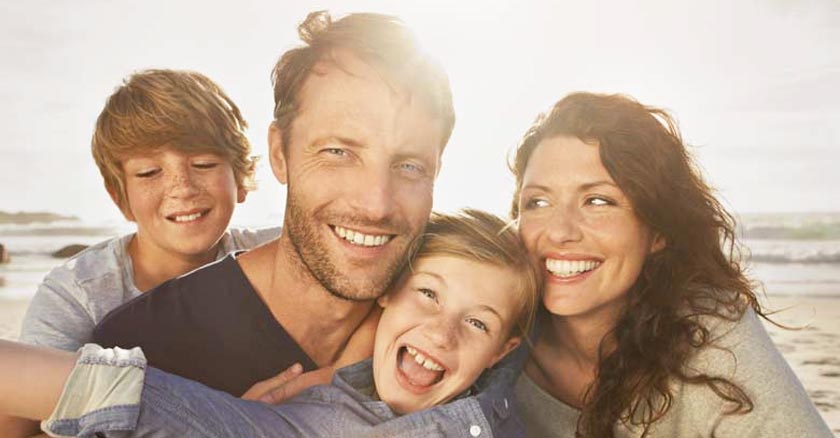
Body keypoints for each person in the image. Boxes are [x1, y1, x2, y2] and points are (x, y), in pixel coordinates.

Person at [88, 13, 520, 434]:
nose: (375, 204)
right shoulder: (141, 346)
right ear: (280, 153)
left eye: (409, 165)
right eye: (338, 152)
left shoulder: (460, 327)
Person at [0, 209, 537, 437]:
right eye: (426, 296)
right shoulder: (303, 421)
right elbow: (141, 399)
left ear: (502, 348)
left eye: (477, 324)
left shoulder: (506, 373)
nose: (443, 333)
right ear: (386, 297)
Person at [508, 92, 832, 437]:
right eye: (538, 202)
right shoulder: (488, 339)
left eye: (598, 200)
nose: (559, 231)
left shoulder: (706, 331)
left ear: (658, 230)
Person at [1, 69, 280, 437]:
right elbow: (18, 429)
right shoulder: (78, 295)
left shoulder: (278, 256)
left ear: (240, 178)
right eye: (149, 173)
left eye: (204, 164)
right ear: (121, 198)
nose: (182, 187)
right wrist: (222, 417)